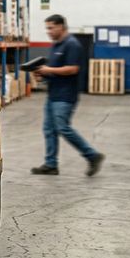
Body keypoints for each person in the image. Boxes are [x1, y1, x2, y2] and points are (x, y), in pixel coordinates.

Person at [30, 14, 105, 176]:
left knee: (63, 128)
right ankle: (51, 164)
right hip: (53, 94)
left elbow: (73, 69)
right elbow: (55, 70)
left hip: (65, 96)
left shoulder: (72, 44)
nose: (48, 32)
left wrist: (48, 70)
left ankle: (92, 155)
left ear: (61, 26)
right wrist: (43, 75)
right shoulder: (56, 45)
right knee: (49, 130)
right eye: (47, 28)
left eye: (51, 28)